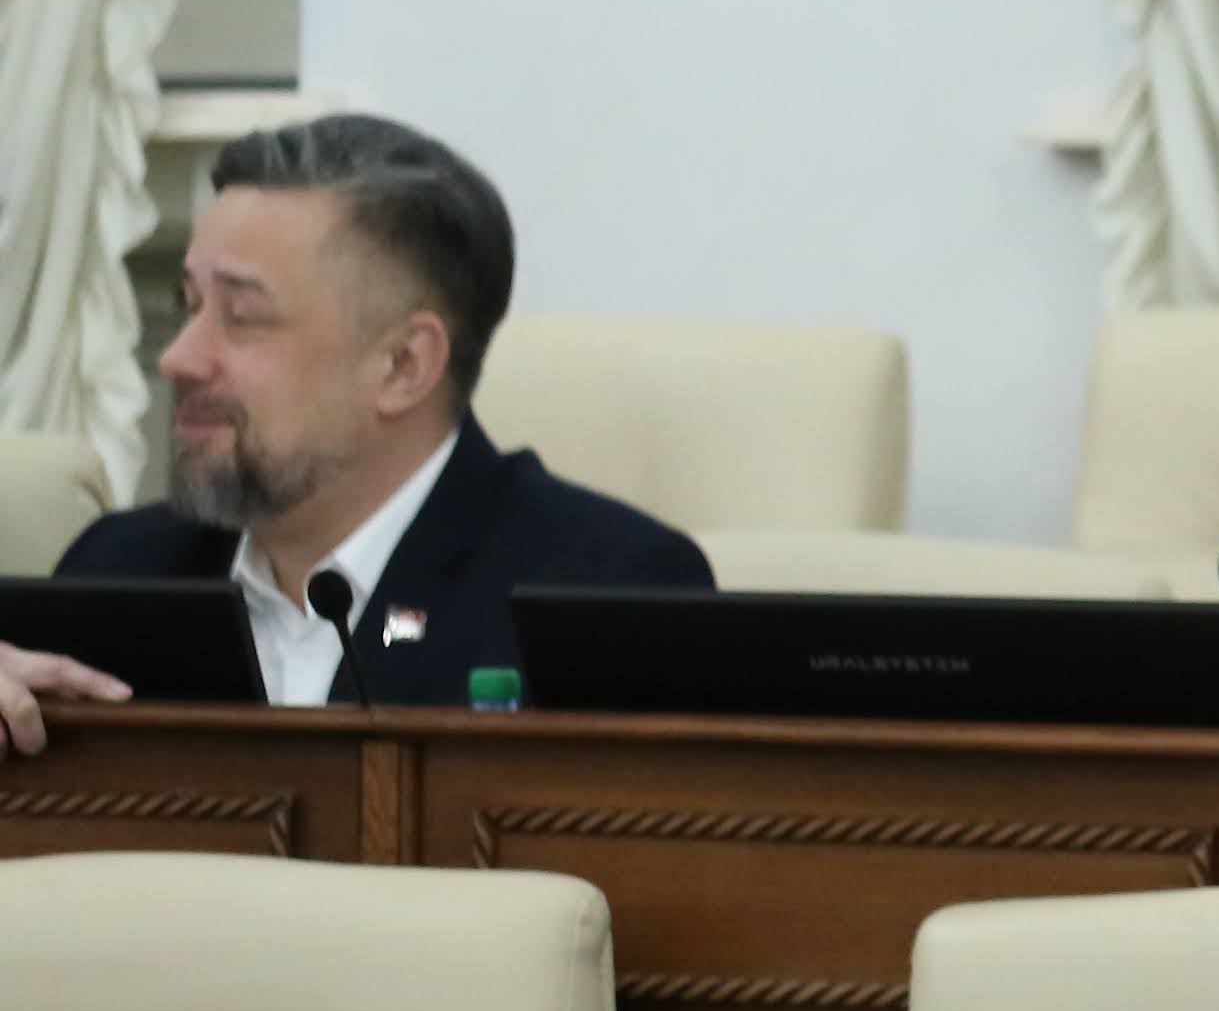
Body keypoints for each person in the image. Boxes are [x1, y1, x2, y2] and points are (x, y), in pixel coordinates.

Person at [31, 115, 710, 718]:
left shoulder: (606, 597)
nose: (178, 357)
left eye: (241, 317)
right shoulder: (118, 573)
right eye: (190, 305)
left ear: (402, 366)